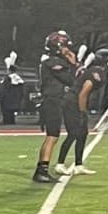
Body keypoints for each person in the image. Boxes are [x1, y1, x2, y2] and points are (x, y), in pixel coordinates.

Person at [36, 32, 78, 185]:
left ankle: (41, 170)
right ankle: (42, 171)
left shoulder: (52, 60)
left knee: (52, 136)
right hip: (51, 100)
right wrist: (73, 64)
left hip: (54, 100)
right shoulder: (52, 62)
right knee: (52, 136)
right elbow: (70, 80)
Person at [59, 51, 102, 176]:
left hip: (74, 100)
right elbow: (83, 93)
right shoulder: (96, 74)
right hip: (73, 102)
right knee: (74, 133)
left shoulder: (82, 69)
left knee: (82, 134)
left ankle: (78, 165)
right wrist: (83, 112)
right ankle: (60, 163)